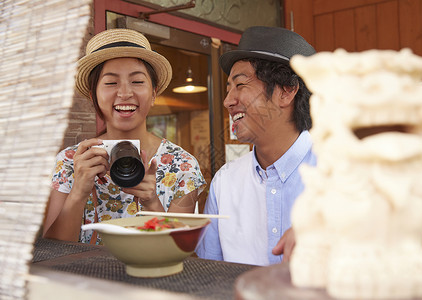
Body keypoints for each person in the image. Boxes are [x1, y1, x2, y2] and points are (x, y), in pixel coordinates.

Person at [43, 29, 206, 244]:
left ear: (154, 92)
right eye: (111, 83)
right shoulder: (70, 161)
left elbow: (182, 250)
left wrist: (152, 202)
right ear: (93, 95)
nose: (125, 93)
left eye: (137, 81)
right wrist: (78, 191)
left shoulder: (182, 165)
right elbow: (51, 250)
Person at [196, 26, 316, 265]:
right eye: (228, 88)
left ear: (287, 90)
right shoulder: (225, 182)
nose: (228, 101)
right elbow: (210, 273)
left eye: (240, 85)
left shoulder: (344, 173)